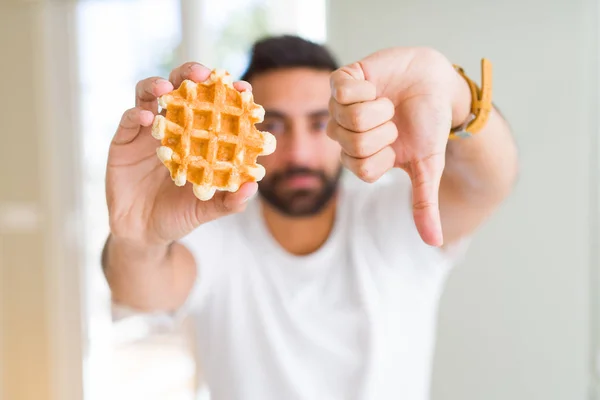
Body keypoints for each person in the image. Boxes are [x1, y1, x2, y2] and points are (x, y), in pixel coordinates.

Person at [102, 35, 518, 400]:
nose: (299, 153)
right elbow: (142, 291)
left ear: (345, 124)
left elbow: (488, 183)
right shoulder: (216, 236)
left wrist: (458, 96)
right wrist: (138, 238)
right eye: (274, 126)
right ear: (246, 130)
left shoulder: (395, 221)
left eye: (319, 123)